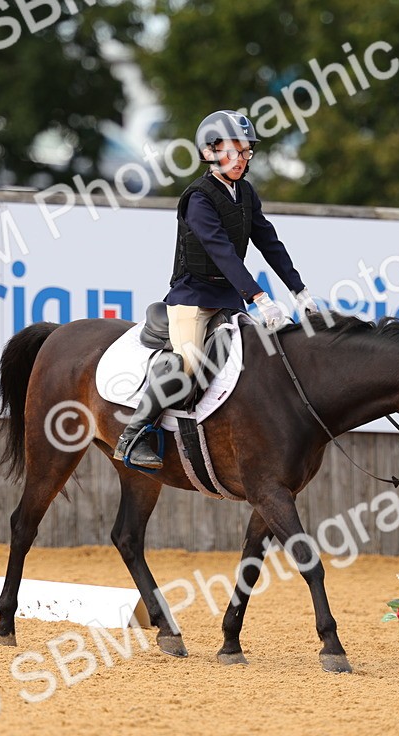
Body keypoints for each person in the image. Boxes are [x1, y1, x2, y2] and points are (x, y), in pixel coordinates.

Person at [113, 110, 319, 469]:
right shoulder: (199, 198)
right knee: (190, 362)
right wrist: (259, 297)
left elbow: (268, 241)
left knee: (256, 356)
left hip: (225, 299)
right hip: (191, 298)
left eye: (246, 152)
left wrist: (299, 291)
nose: (240, 159)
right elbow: (220, 249)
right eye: (232, 151)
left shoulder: (246, 193)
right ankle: (134, 433)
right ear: (209, 151)